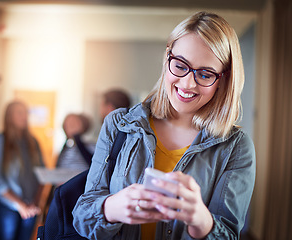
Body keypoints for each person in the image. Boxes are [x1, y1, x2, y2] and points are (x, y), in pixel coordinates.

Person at [72, 11, 256, 240]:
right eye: (180, 65)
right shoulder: (119, 125)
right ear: (167, 58)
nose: (188, 83)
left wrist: (201, 221)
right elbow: (82, 216)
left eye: (206, 74)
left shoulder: (235, 148)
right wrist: (113, 207)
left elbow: (228, 235)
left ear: (223, 79)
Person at [0, 100, 44, 240]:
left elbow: (41, 175)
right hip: (8, 207)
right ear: (9, 116)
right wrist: (20, 205)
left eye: (25, 112)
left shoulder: (33, 142)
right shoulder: (1, 140)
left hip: (30, 207)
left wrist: (34, 203)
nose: (24, 116)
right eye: (19, 112)